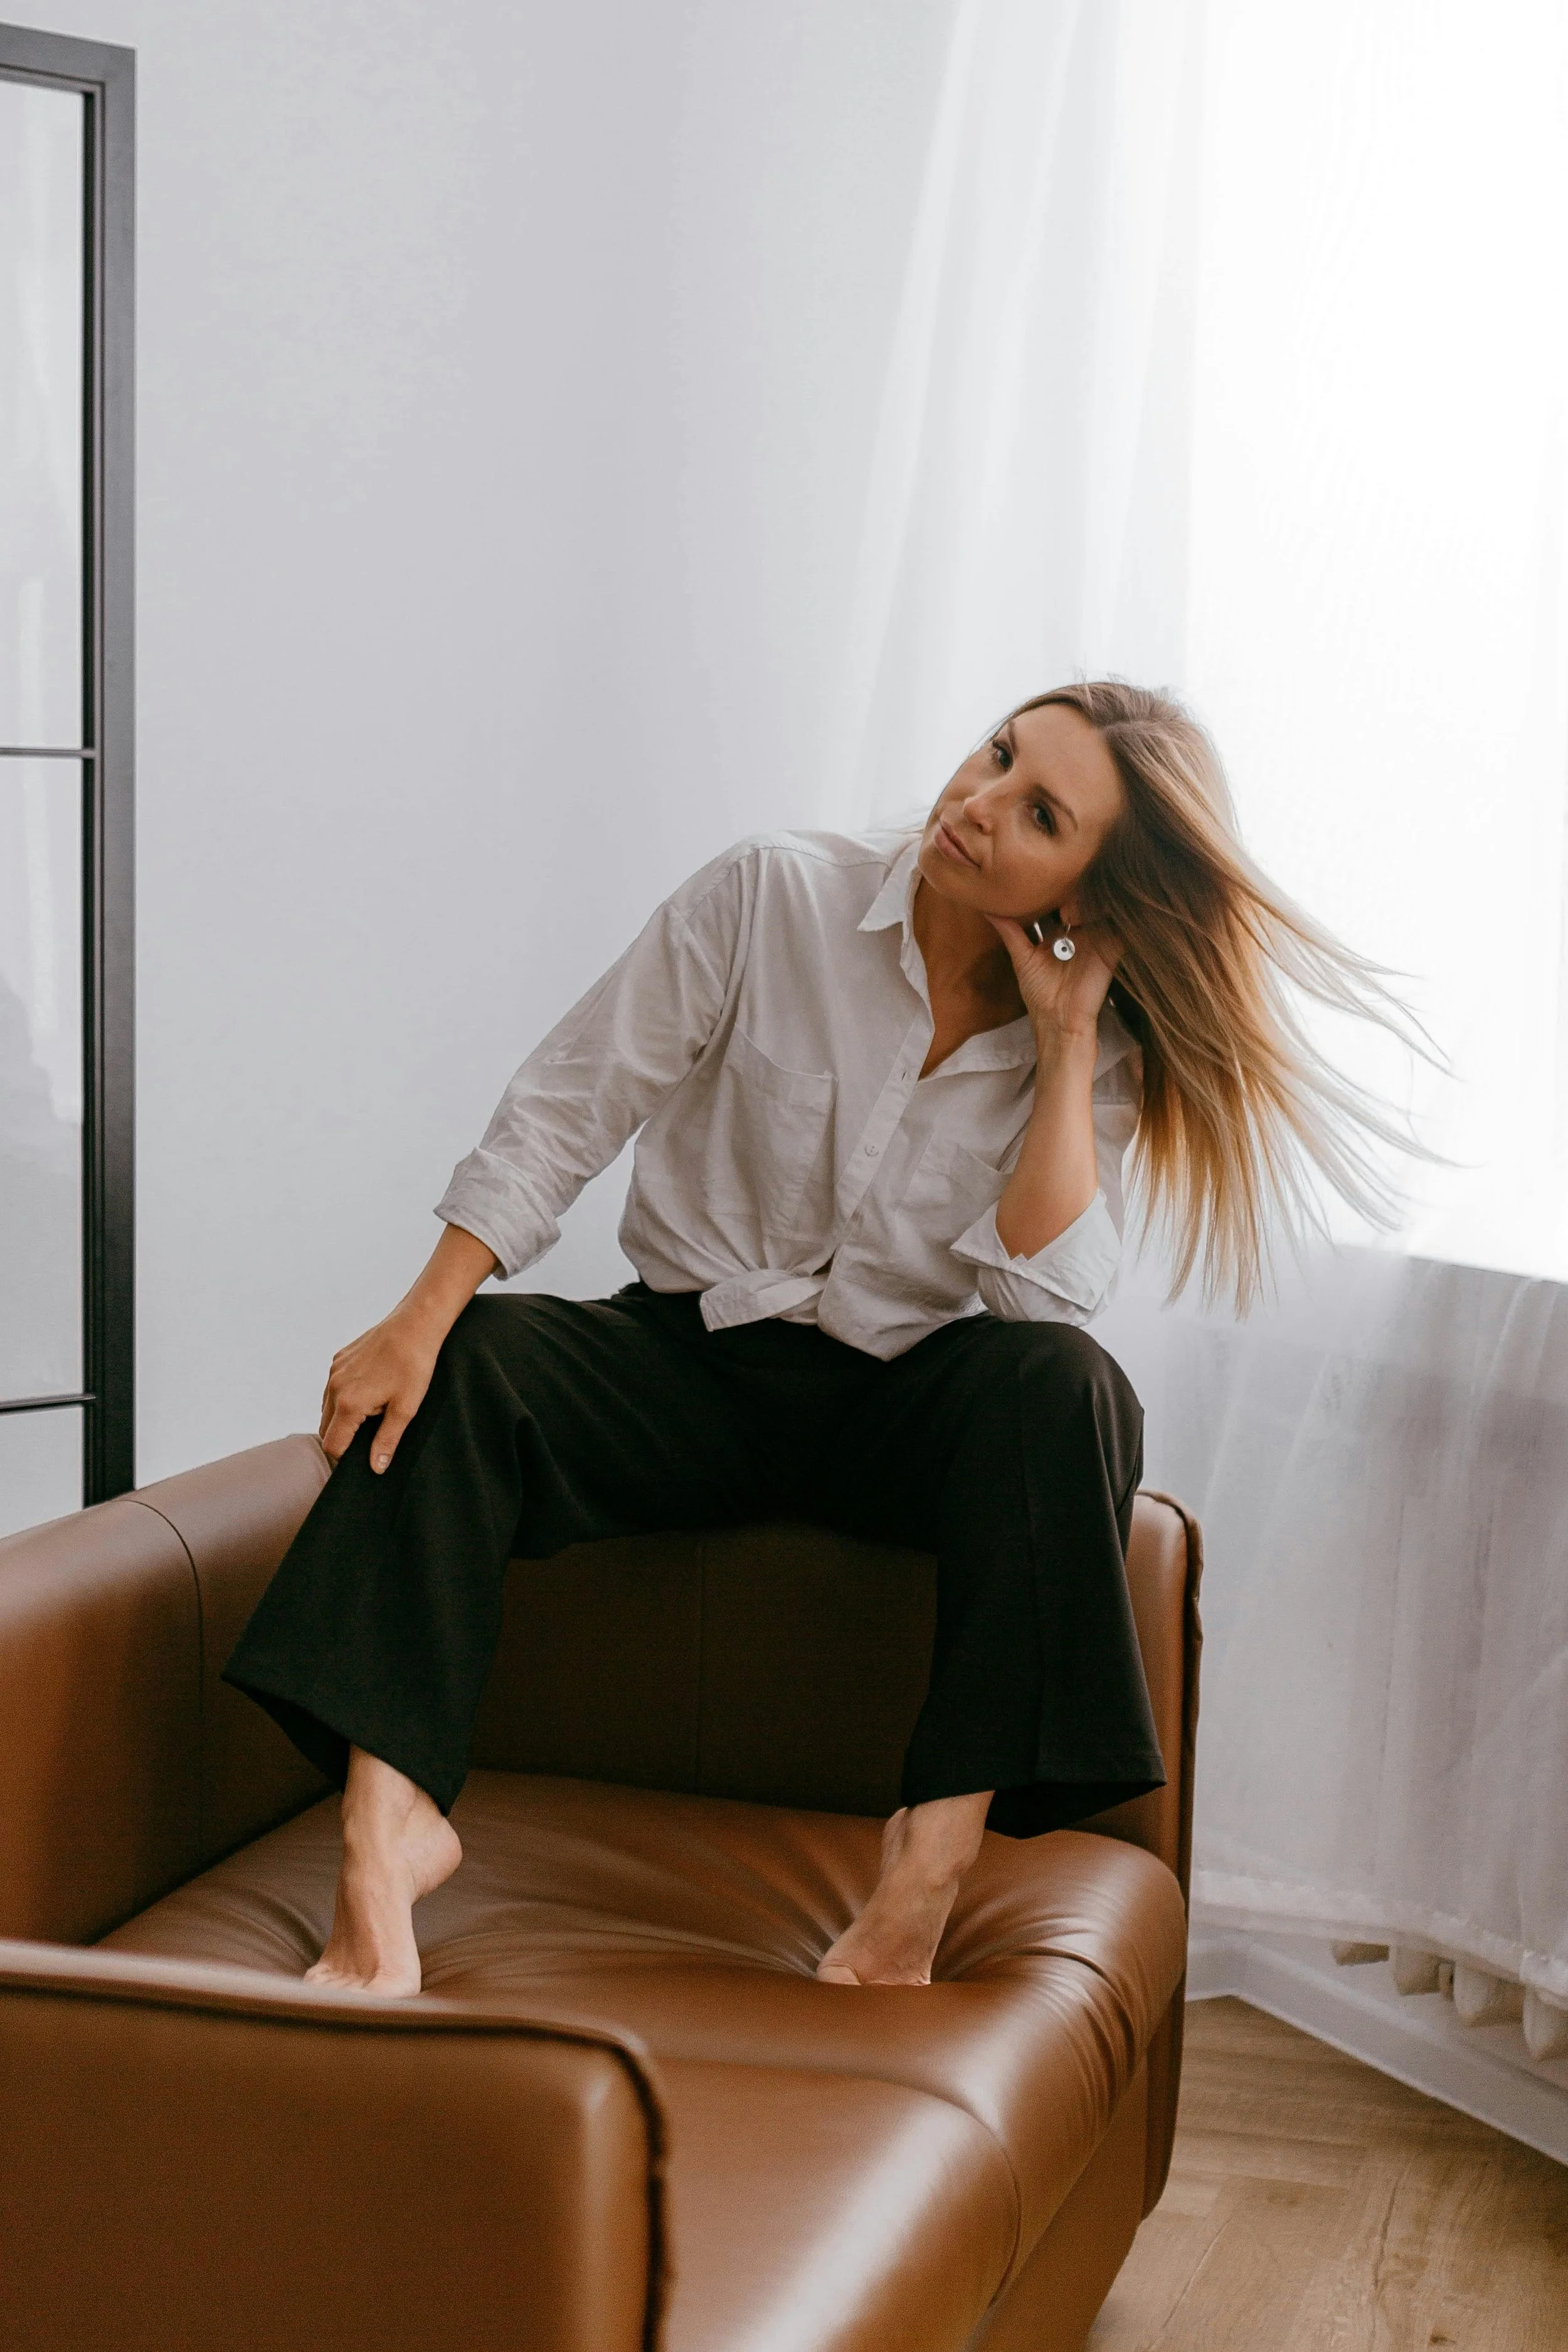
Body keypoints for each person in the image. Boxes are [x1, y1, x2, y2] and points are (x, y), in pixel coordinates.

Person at [225, 679, 1418, 1996]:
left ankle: (924, 1876)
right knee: (470, 1361)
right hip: (682, 1363)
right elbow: (572, 1104)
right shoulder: (770, 895)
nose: (973, 803)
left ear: (1088, 894)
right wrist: (419, 1313)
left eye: (1035, 813)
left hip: (892, 1403)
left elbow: (1037, 1304)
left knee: (1067, 1389)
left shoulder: (1103, 1047)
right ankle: (382, 1846)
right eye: (996, 751)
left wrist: (1067, 1041)